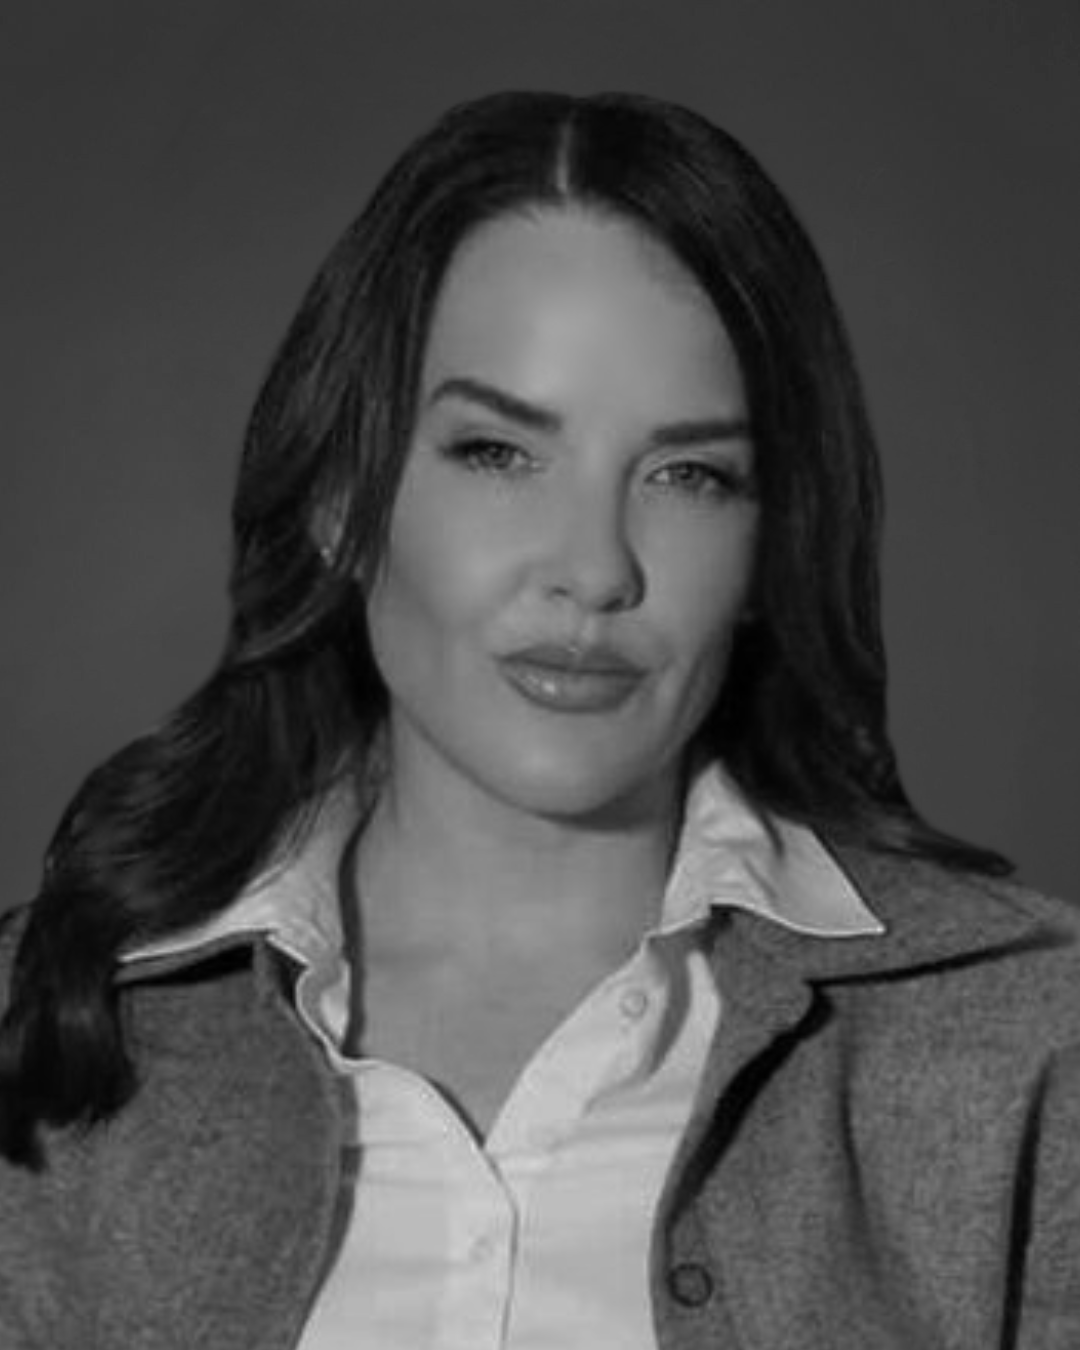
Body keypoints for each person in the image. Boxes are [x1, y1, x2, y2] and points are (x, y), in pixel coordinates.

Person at [0, 89, 1077, 1350]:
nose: (594, 569)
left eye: (689, 475)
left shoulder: (1032, 1048)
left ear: (769, 543)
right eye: (499, 453)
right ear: (347, 496)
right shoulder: (52, 1035)